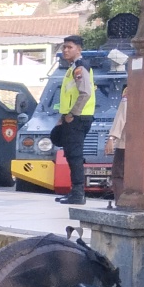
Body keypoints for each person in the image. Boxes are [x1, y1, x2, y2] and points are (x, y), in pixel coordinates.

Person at [52, 34, 96, 205]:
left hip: (78, 118)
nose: (65, 50)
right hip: (72, 118)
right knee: (71, 155)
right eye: (64, 47)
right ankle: (74, 192)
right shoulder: (72, 68)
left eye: (69, 47)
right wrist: (63, 118)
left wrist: (72, 114)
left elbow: (85, 93)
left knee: (75, 156)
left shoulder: (80, 67)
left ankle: (78, 193)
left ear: (79, 49)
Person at [105, 85, 130, 204]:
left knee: (118, 174)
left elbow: (121, 117)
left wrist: (111, 138)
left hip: (125, 144)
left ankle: (120, 202)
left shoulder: (129, 92)